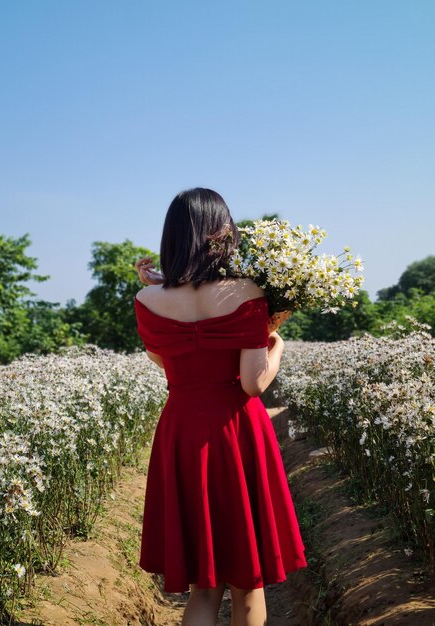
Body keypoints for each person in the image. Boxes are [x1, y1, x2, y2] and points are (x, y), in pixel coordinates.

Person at [134, 188, 307, 626]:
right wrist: (277, 345)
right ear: (221, 233)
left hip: (182, 431)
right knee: (247, 586)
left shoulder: (146, 302)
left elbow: (164, 360)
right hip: (236, 432)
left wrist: (158, 288)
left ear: (172, 236)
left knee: (203, 588)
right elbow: (252, 383)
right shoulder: (247, 292)